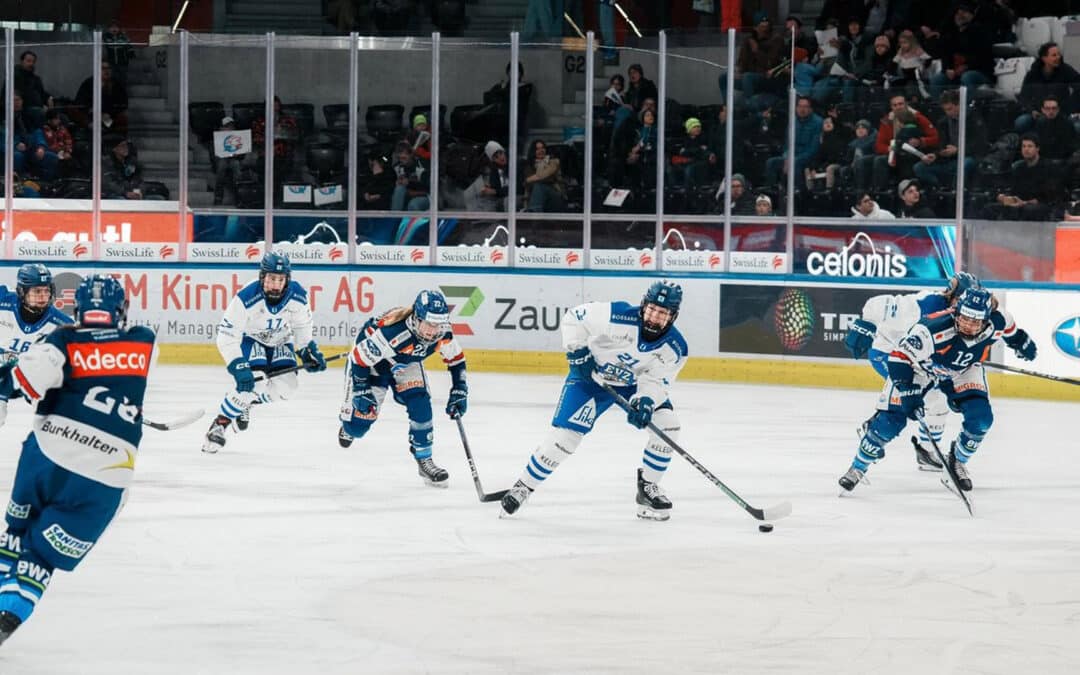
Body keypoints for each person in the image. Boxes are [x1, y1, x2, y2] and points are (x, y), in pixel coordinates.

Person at [0, 275, 155, 646]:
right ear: (120, 310)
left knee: (14, 536)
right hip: (106, 475)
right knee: (42, 557)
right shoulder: (146, 341)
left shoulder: (61, 339)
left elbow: (24, 381)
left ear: (76, 309)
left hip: (48, 457)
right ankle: (8, 618)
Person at [499, 281, 688, 521]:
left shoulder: (676, 347)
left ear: (673, 316)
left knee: (668, 425)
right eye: (651, 309)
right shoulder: (617, 315)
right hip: (590, 378)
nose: (654, 317)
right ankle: (524, 486)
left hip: (632, 385)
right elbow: (574, 317)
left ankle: (648, 489)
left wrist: (646, 401)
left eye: (662, 313)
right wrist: (578, 352)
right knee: (566, 437)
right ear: (643, 305)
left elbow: (657, 381)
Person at [838, 287, 1037, 493]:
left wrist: (1021, 343)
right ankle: (858, 467)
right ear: (956, 312)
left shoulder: (999, 320)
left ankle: (957, 462)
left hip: (962, 371)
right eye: (964, 318)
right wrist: (908, 392)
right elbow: (899, 359)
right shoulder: (931, 328)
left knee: (981, 418)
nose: (968, 325)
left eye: (976, 321)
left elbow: (1012, 332)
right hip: (919, 369)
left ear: (987, 319)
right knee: (891, 422)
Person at [843, 272, 983, 471]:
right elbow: (878, 303)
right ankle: (874, 425)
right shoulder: (925, 305)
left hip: (917, 360)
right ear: (951, 295)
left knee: (938, 397)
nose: (966, 306)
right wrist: (865, 326)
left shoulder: (963, 319)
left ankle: (926, 451)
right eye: (961, 299)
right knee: (917, 395)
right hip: (887, 353)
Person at [338, 290, 467, 487]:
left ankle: (425, 459)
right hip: (373, 363)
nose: (433, 331)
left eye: (438, 324)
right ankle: (349, 426)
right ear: (417, 318)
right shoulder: (393, 334)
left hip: (407, 362)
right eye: (429, 324)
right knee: (357, 428)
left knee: (420, 402)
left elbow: (456, 360)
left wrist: (460, 389)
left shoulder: (442, 333)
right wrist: (361, 389)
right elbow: (359, 359)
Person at [202, 253, 327, 453]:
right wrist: (238, 365)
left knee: (288, 388)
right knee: (255, 382)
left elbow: (302, 326)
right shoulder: (246, 297)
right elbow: (226, 336)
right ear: (262, 277)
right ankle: (219, 425)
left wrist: (306, 351)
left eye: (280, 279)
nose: (275, 285)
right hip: (251, 340)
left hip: (281, 341)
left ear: (287, 280)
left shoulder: (298, 296)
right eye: (271, 279)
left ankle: (247, 402)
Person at [0, 264, 74, 427]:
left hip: (28, 379)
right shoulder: (2, 300)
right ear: (21, 292)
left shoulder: (62, 325)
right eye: (36, 291)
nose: (43, 296)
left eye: (46, 291)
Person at [523, 139, 566, 212]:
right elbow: (528, 184)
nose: (541, 150)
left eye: (542, 148)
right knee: (538, 187)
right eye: (537, 149)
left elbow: (545, 176)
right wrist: (530, 180)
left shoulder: (553, 161)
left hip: (555, 194)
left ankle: (534, 214)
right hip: (536, 197)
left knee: (539, 186)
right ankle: (534, 213)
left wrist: (529, 179)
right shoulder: (529, 165)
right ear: (533, 151)